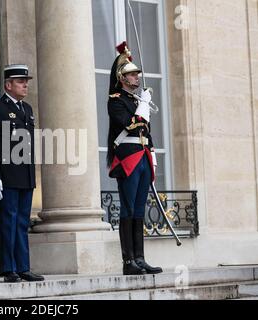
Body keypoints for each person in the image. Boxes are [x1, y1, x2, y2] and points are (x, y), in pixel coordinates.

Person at [0, 64, 44, 283]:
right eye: (20, 81)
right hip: (6, 175)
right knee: (8, 221)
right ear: (8, 85)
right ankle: (9, 269)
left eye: (26, 81)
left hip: (25, 175)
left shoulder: (27, 109)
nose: (25, 84)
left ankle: (24, 267)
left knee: (22, 222)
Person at [107, 43, 163, 275]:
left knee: (139, 210)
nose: (136, 77)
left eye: (137, 74)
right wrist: (143, 105)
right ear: (121, 77)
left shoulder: (136, 100)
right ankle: (128, 261)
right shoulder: (117, 100)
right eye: (131, 74)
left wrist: (152, 156)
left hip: (142, 158)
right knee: (128, 209)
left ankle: (140, 258)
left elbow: (146, 133)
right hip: (127, 159)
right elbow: (131, 126)